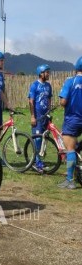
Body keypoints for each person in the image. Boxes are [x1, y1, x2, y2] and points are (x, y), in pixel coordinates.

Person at [58, 56, 82, 189]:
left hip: (72, 119)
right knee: (77, 146)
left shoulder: (70, 82)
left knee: (70, 149)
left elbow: (63, 101)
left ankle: (69, 180)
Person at [28, 64, 52, 173]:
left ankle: (39, 160)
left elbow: (49, 100)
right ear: (40, 73)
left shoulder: (48, 86)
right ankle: (37, 163)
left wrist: (49, 113)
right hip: (37, 117)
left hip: (45, 117)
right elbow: (31, 101)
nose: (48, 74)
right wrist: (32, 116)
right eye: (46, 72)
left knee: (44, 139)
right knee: (37, 139)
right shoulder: (34, 85)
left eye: (48, 72)